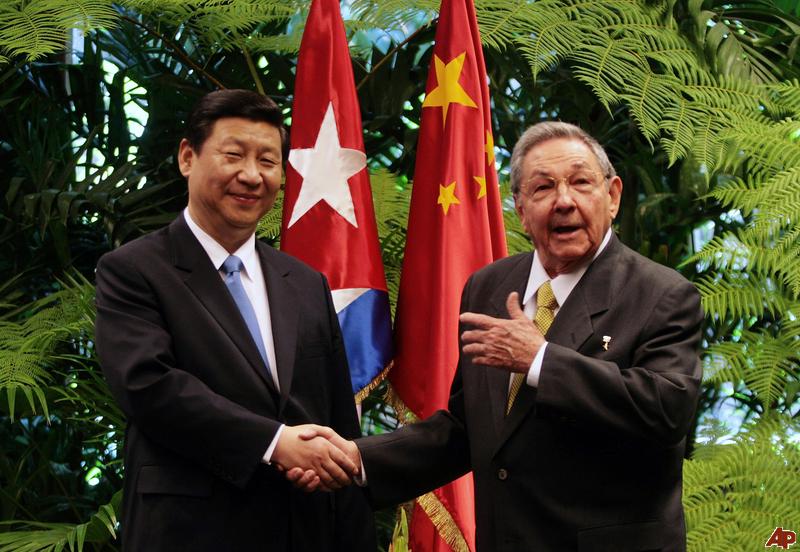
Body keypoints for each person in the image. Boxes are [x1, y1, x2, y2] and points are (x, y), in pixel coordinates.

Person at [294, 121, 704, 551]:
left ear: (613, 196)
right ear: (521, 209)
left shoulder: (661, 294)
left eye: (581, 182)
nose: (564, 201)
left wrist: (541, 361)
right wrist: (358, 459)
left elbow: (667, 409)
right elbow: (467, 428)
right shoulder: (488, 287)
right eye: (543, 188)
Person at [94, 89, 375, 551]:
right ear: (188, 157)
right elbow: (148, 386)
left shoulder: (305, 283)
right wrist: (275, 443)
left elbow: (338, 420)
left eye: (267, 161)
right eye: (233, 155)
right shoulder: (134, 270)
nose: (251, 175)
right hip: (189, 533)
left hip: (303, 532)